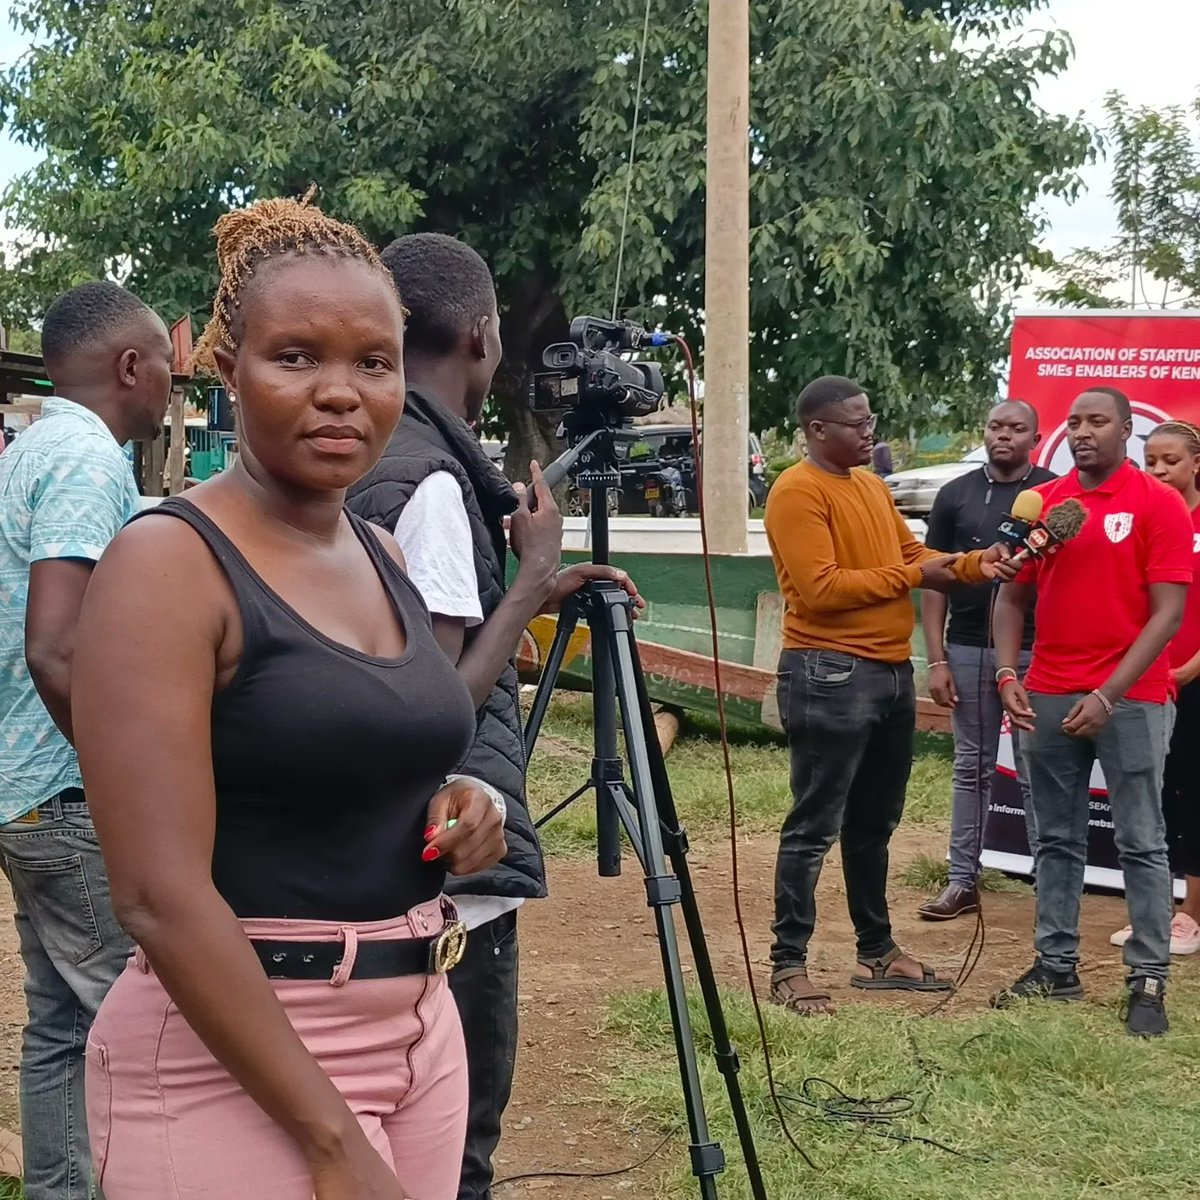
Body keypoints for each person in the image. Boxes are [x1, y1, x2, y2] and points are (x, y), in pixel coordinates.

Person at [69, 196, 509, 1200]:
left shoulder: (383, 553)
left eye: (372, 362)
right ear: (228, 369)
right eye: (297, 357)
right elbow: (158, 896)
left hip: (418, 1025)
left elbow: (361, 751)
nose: (342, 393)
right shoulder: (170, 564)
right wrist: (330, 1141)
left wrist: (456, 805)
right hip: (238, 1058)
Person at [346, 232, 640, 1200]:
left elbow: (393, 637)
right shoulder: (432, 483)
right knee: (451, 1151)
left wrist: (533, 594)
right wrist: (530, 585)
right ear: (479, 336)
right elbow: (428, 706)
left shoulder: (374, 450)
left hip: (380, 859)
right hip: (446, 879)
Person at [763, 374, 1018, 1016]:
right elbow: (822, 589)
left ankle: (877, 953)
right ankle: (788, 964)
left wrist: (973, 565)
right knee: (813, 826)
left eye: (869, 418)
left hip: (889, 673)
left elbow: (916, 554)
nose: (869, 430)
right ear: (818, 430)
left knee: (874, 821)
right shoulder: (796, 491)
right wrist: (916, 573)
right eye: (856, 422)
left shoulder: (872, 486)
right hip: (829, 673)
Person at [0, 281, 172, 1200]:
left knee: (62, 1024)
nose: (172, 394)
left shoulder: (34, 446)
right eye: (170, 374)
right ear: (130, 366)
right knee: (144, 1019)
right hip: (67, 795)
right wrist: (124, 780)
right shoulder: (85, 457)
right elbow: (55, 647)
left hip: (21, 789)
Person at [993, 387, 1192, 1037]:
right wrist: (1005, 671)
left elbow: (1167, 614)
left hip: (1131, 698)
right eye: (1074, 421)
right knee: (1054, 837)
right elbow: (1011, 597)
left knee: (1141, 838)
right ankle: (1055, 966)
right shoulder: (1045, 507)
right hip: (1047, 690)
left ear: (1127, 431)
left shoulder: (1158, 505)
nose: (1082, 431)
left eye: (1097, 421)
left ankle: (1148, 977)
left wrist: (1108, 694)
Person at [919, 401, 1054, 920]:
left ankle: (1051, 879)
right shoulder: (955, 494)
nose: (1005, 436)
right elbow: (935, 578)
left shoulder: (1053, 493)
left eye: (1017, 428)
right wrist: (936, 658)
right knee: (970, 765)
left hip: (1036, 650)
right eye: (997, 426)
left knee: (1035, 767)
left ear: (1035, 438)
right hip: (969, 647)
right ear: (985, 432)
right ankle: (961, 881)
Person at [1108, 421, 1200, 956]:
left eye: (1170, 460)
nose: (1160, 471)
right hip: (1147, 682)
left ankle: (1190, 916)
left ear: (1195, 463)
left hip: (1190, 680)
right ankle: (1153, 910)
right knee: (1152, 798)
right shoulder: (1146, 516)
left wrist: (1188, 668)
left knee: (1193, 793)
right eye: (1150, 461)